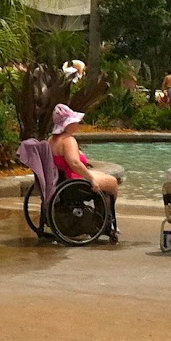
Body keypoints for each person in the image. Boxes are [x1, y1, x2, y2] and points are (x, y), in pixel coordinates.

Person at [48, 103, 120, 243]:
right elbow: (74, 163)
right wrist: (91, 178)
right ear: (67, 124)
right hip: (74, 183)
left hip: (62, 181)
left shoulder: (52, 140)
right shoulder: (68, 140)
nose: (78, 124)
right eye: (75, 122)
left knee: (103, 177)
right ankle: (107, 221)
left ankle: (102, 218)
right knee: (112, 183)